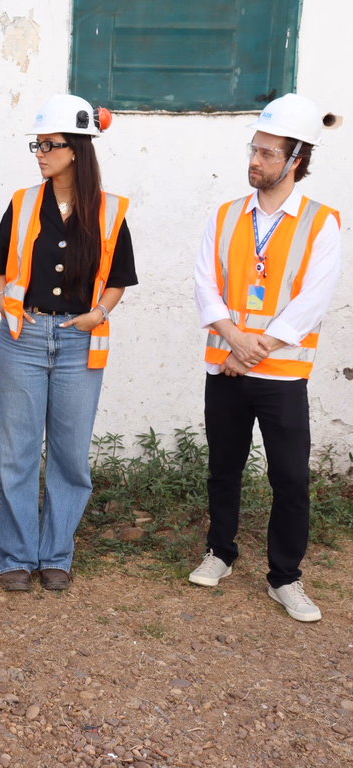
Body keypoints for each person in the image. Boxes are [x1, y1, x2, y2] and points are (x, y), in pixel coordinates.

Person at [188, 94, 341, 623]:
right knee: (223, 469)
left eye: (268, 153)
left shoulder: (323, 223)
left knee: (290, 478)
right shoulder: (226, 215)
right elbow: (206, 286)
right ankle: (220, 552)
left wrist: (252, 350)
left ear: (296, 160)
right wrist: (234, 340)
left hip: (281, 375)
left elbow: (313, 300)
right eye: (254, 149)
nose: (255, 161)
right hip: (225, 367)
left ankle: (286, 577)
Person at [0, 94, 138, 592]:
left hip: (79, 342)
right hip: (24, 338)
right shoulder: (23, 203)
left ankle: (56, 554)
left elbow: (118, 276)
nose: (39, 153)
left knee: (71, 454)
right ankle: (14, 556)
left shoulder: (109, 210)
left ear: (75, 149)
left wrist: (98, 313)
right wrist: (13, 313)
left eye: (48, 144)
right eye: (37, 144)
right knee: (17, 452)